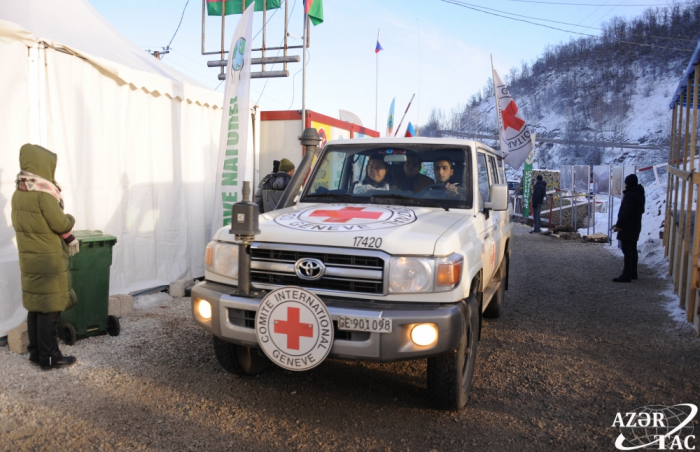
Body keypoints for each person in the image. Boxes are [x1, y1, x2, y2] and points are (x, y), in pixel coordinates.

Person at [11, 144, 79, 370]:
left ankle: (36, 353)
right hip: (48, 259)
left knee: (36, 306)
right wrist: (70, 218)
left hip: (30, 258)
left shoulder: (19, 192)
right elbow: (59, 223)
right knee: (50, 307)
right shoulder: (42, 194)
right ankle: (50, 357)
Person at [612, 174, 645, 283]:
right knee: (632, 249)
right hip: (636, 225)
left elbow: (627, 211)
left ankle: (626, 274)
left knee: (627, 250)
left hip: (628, 225)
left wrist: (619, 225)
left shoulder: (630, 195)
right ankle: (632, 272)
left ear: (628, 183)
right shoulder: (639, 193)